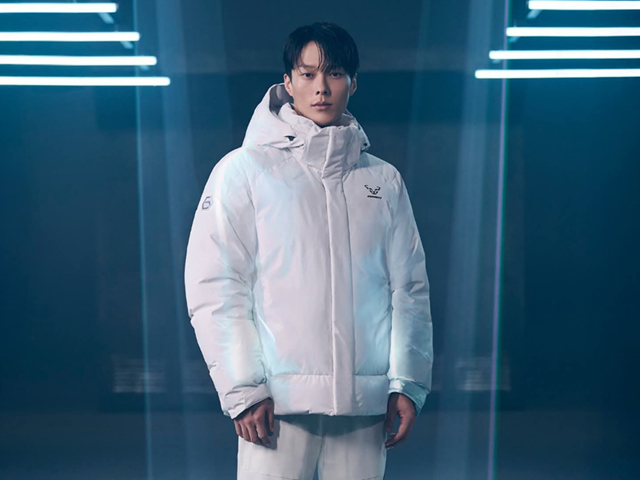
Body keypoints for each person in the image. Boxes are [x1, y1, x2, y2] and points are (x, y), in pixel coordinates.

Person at [184, 21, 433, 480]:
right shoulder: (243, 171)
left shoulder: (383, 180)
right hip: (276, 408)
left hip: (364, 407)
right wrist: (244, 390)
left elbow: (408, 289)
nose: (321, 87)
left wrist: (406, 382)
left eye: (335, 73)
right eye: (308, 74)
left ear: (353, 84)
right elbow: (216, 286)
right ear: (288, 82)